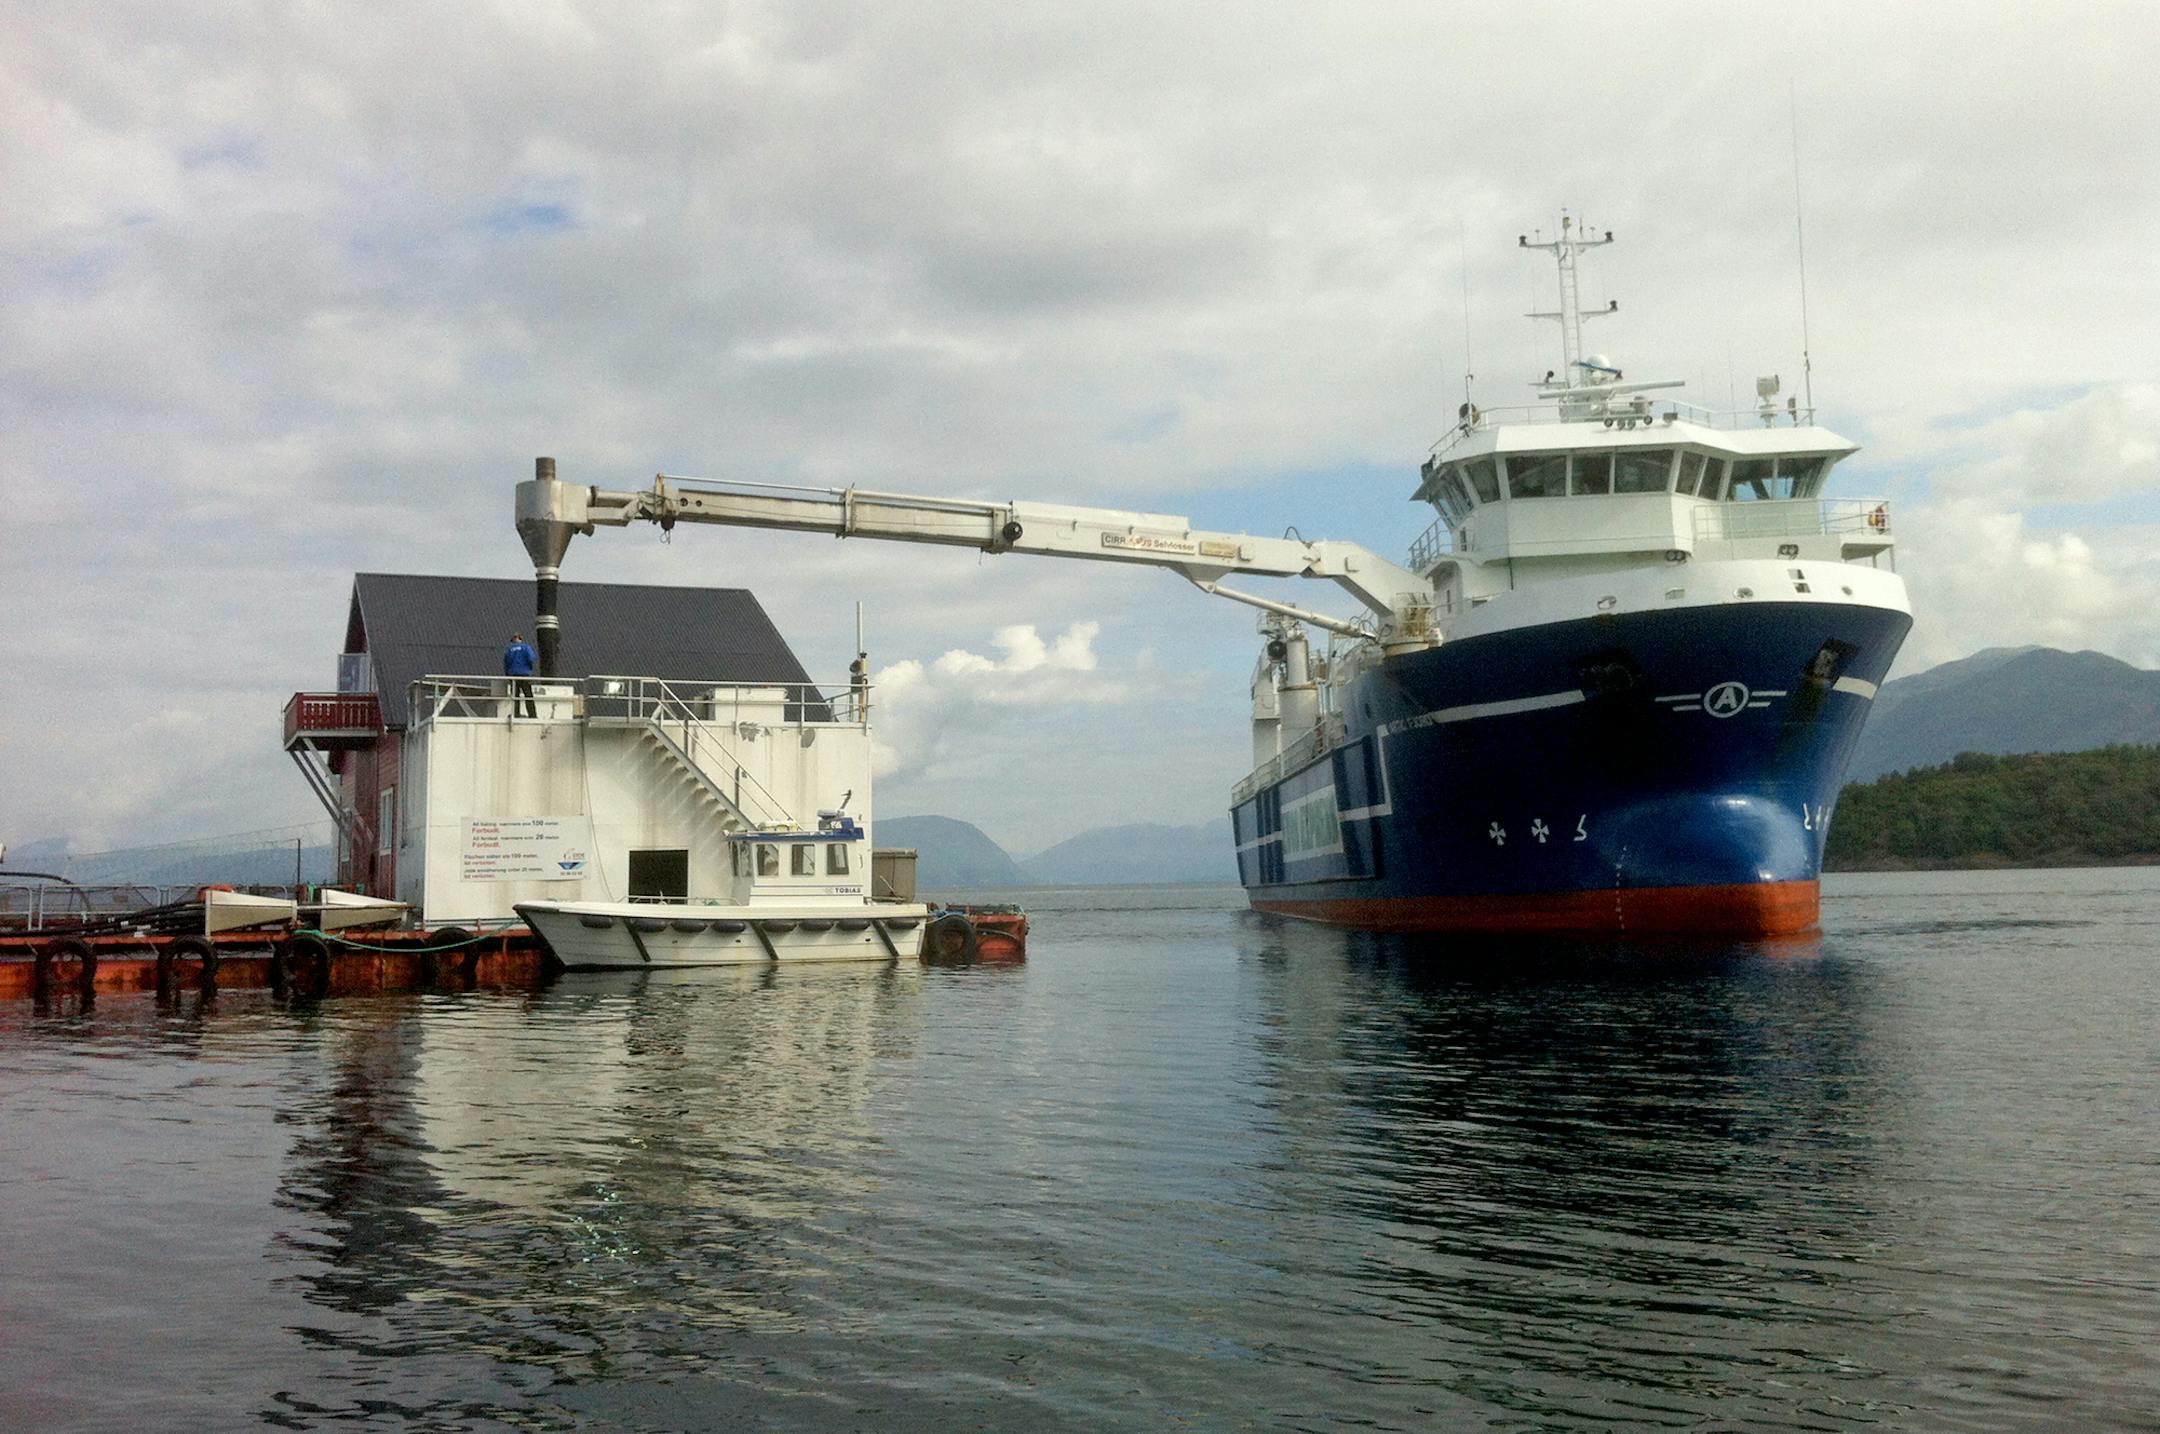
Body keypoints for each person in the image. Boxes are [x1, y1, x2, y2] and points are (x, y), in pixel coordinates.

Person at [504, 632, 538, 717]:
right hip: (524, 675)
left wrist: (508, 674)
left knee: (515, 697)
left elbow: (506, 663)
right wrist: (529, 668)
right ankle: (532, 715)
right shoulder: (526, 647)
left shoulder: (509, 649)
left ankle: (516, 714)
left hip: (513, 676)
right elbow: (531, 658)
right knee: (528, 696)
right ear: (520, 638)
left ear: (513, 640)